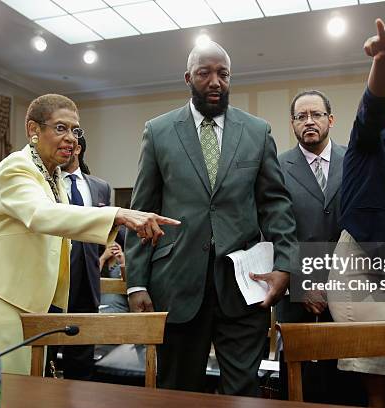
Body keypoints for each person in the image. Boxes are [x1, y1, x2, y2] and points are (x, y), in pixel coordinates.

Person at [0, 94, 179, 380]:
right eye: (60, 128)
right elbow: (41, 215)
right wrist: (118, 215)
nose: (72, 138)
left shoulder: (54, 178)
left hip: (20, 292)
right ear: (33, 130)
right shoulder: (18, 167)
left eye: (75, 130)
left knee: (16, 377)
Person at [126, 41, 298, 396]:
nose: (215, 81)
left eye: (223, 74)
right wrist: (136, 283)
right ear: (189, 78)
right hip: (176, 284)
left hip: (243, 285)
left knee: (243, 391)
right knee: (178, 390)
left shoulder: (257, 131)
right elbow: (142, 211)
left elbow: (275, 204)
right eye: (205, 73)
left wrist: (284, 264)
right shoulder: (158, 131)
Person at [327, 19, 385, 408]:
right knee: (379, 387)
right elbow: (371, 109)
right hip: (361, 273)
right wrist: (383, 60)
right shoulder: (369, 141)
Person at [276, 90, 365, 405]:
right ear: (293, 124)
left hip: (352, 296)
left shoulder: (355, 159)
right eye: (301, 117)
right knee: (301, 390)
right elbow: (270, 231)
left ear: (331, 119)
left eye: (315, 114)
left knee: (350, 389)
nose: (309, 121)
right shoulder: (276, 166)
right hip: (297, 301)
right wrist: (301, 286)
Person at [56, 135, 112, 380]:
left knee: (81, 359)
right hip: (53, 282)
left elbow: (103, 235)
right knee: (46, 354)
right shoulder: (43, 183)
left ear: (77, 149)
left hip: (87, 283)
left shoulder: (101, 187)